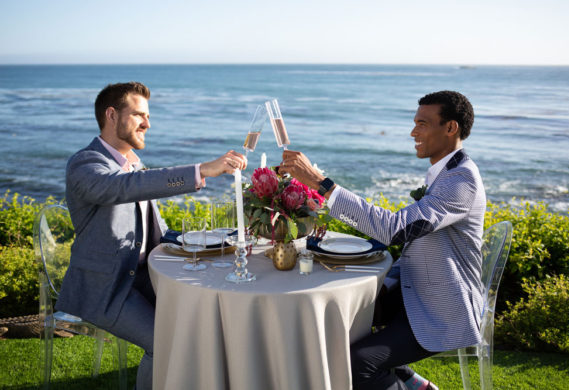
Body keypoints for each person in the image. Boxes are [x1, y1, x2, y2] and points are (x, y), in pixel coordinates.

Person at [279, 91, 485, 390]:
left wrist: (319, 183)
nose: (413, 132)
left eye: (423, 123)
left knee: (358, 362)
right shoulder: (446, 173)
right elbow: (418, 243)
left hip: (441, 308)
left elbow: (393, 230)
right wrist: (385, 282)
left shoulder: (460, 181)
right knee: (336, 325)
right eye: (415, 122)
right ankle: (411, 381)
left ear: (451, 128)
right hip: (414, 291)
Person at [55, 82, 247, 390]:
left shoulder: (133, 164)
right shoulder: (86, 163)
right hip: (108, 286)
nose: (148, 123)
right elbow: (122, 187)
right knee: (165, 345)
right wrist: (202, 170)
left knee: (207, 317)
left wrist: (212, 242)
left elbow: (151, 225)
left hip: (144, 276)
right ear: (111, 115)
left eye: (148, 115)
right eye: (139, 115)